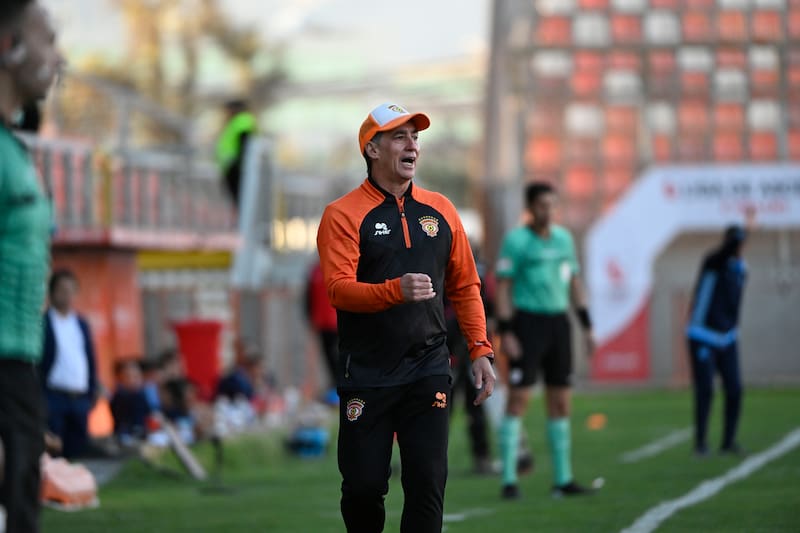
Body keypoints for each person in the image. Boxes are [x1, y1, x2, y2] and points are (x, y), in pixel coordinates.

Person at [316, 102, 496, 533]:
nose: (412, 144)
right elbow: (338, 291)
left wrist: (480, 350)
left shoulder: (442, 211)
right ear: (372, 149)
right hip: (367, 371)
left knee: (428, 483)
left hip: (429, 368)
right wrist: (395, 290)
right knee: (363, 487)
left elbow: (466, 287)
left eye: (415, 136)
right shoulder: (342, 215)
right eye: (399, 136)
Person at [0, 1, 64, 531]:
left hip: (20, 365)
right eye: (47, 39)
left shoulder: (14, 150)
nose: (56, 55)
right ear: (8, 46)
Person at [495, 181, 595, 499]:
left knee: (561, 400)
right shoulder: (516, 241)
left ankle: (562, 480)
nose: (548, 211)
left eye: (552, 205)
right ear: (530, 208)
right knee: (519, 399)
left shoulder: (564, 239)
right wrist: (507, 331)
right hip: (527, 325)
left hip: (558, 324)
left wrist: (587, 326)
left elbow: (575, 283)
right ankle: (509, 479)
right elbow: (503, 289)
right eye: (542, 205)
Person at [686, 225, 748, 456]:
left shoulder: (740, 268)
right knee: (705, 390)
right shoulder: (713, 261)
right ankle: (701, 443)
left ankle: (728, 442)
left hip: (727, 337)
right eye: (737, 242)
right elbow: (726, 251)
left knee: (734, 389)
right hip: (703, 334)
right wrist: (746, 229)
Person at [445, 246, 496, 475]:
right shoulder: (446, 267)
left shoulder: (476, 271)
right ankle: (428, 460)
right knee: (442, 407)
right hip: (450, 348)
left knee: (475, 406)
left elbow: (487, 309)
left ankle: (482, 457)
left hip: (471, 349)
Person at [41, 269, 99, 459]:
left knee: (77, 448)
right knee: (54, 447)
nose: (66, 296)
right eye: (61, 290)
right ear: (51, 292)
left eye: (70, 290)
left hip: (79, 396)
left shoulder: (81, 323)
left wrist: (92, 389)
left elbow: (89, 358)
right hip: (54, 394)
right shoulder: (44, 323)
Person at [304, 259, 339, 394]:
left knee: (341, 356)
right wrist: (310, 319)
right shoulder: (315, 272)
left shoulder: (339, 267)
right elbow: (308, 297)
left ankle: (342, 385)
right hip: (323, 323)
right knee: (329, 356)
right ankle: (335, 386)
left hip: (339, 322)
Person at [215, 98, 256, 208]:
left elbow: (244, 146)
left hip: (237, 169)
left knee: (241, 202)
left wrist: (236, 165)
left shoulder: (242, 122)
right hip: (234, 168)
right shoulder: (238, 122)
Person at [110, 360, 151, 445]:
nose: (133, 380)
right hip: (126, 437)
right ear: (120, 378)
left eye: (136, 376)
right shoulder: (120, 397)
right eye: (128, 376)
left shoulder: (143, 394)